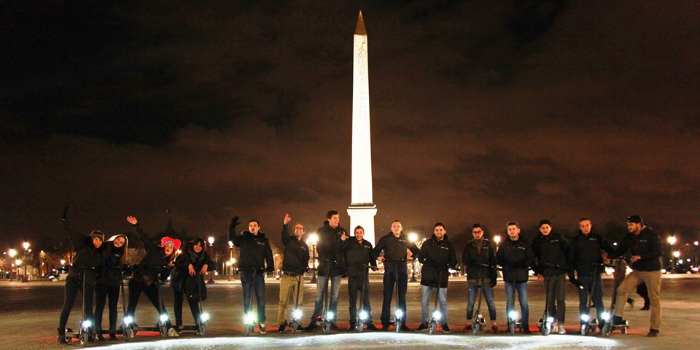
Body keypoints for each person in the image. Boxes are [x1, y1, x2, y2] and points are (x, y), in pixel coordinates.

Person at [125, 215, 180, 335]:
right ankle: (128, 325)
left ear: (173, 250)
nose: (168, 248)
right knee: (132, 305)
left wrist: (169, 268)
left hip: (150, 283)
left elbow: (164, 277)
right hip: (138, 279)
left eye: (171, 247)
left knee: (160, 304)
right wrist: (136, 225)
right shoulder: (154, 249)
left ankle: (168, 326)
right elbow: (145, 238)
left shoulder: (168, 262)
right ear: (164, 246)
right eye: (167, 246)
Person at [611, 215, 662, 337]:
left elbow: (658, 252)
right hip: (637, 271)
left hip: (652, 271)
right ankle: (617, 317)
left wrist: (641, 257)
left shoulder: (651, 235)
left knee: (654, 298)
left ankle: (654, 328)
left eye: (631, 225)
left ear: (639, 224)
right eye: (628, 225)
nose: (629, 227)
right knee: (621, 290)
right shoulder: (629, 237)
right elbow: (620, 250)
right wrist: (608, 256)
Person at [57, 214, 105, 344]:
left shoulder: (101, 253)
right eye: (95, 239)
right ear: (91, 239)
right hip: (74, 278)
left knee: (88, 306)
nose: (97, 242)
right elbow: (71, 232)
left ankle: (90, 330)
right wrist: (64, 221)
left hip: (88, 280)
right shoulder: (82, 245)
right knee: (68, 304)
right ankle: (61, 332)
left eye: (100, 240)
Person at [229, 217, 274, 334]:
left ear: (259, 227)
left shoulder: (263, 240)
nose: (252, 227)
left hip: (259, 272)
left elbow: (268, 254)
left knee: (261, 298)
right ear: (249, 228)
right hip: (245, 272)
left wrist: (270, 266)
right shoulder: (244, 238)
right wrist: (232, 227)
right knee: (247, 299)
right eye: (250, 225)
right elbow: (233, 240)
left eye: (254, 225)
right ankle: (248, 322)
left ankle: (262, 322)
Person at [304, 210, 347, 331]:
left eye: (338, 218)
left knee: (334, 296)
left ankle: (331, 319)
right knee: (319, 295)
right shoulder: (321, 231)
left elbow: (344, 249)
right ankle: (316, 319)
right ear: (329, 219)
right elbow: (322, 247)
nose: (337, 220)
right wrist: (340, 242)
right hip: (324, 266)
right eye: (334, 218)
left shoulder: (342, 231)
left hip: (337, 268)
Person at [568, 218, 612, 330]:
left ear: (591, 225)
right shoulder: (576, 240)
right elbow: (571, 258)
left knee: (598, 300)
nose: (585, 227)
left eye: (587, 225)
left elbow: (610, 249)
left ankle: (602, 322)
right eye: (582, 226)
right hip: (582, 275)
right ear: (580, 227)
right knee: (583, 301)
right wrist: (572, 276)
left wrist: (608, 256)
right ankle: (584, 322)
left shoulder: (597, 238)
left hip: (595, 274)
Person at [373, 219, 416, 331]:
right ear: (391, 229)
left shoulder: (405, 239)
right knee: (387, 296)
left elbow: (416, 250)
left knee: (402, 296)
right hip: (390, 268)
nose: (396, 228)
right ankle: (385, 322)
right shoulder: (385, 239)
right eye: (394, 226)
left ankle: (402, 322)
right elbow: (375, 251)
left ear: (401, 228)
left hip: (402, 268)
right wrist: (378, 257)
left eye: (398, 226)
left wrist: (413, 257)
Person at [415, 223, 457, 333]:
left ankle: (443, 323)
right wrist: (425, 261)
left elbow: (453, 260)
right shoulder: (427, 243)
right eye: (437, 230)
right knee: (425, 301)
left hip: (441, 276)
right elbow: (421, 257)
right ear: (434, 231)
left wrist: (450, 265)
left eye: (441, 230)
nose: (439, 232)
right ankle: (424, 322)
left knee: (442, 301)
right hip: (428, 275)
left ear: (444, 231)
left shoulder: (449, 245)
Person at [531, 219, 570, 334]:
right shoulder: (537, 241)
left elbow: (568, 250)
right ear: (540, 229)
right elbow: (533, 257)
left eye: (547, 227)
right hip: (547, 273)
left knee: (561, 299)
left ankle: (561, 324)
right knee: (550, 300)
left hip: (559, 273)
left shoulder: (559, 238)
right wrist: (538, 271)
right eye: (542, 228)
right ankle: (552, 322)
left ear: (550, 228)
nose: (545, 230)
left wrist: (566, 266)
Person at [496, 221, 534, 334]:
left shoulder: (525, 244)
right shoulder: (503, 245)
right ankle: (510, 324)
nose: (512, 231)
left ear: (518, 230)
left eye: (513, 229)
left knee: (524, 303)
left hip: (522, 278)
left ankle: (525, 325)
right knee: (509, 303)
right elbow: (498, 259)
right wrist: (506, 264)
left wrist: (523, 264)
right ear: (507, 232)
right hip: (509, 277)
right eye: (509, 229)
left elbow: (530, 258)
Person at [172, 237, 213, 334]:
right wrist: (188, 265)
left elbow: (212, 263)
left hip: (192, 282)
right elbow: (178, 262)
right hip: (180, 280)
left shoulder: (204, 255)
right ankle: (179, 324)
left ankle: (199, 324)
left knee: (193, 301)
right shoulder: (186, 253)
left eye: (200, 245)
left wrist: (206, 264)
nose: (198, 247)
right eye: (196, 245)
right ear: (192, 245)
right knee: (178, 302)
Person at [462, 224, 498, 333]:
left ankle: (494, 323)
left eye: (478, 232)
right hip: (473, 276)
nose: (477, 234)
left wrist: (493, 277)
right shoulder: (469, 245)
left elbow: (493, 261)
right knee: (471, 302)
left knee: (490, 302)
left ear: (482, 232)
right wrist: (472, 261)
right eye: (474, 232)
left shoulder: (489, 244)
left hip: (486, 276)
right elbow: (464, 259)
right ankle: (468, 322)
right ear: (472, 233)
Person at [276, 213, 310, 333]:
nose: (298, 230)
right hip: (287, 276)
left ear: (303, 232)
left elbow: (306, 260)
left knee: (298, 302)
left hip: (299, 277)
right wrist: (285, 224)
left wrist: (305, 268)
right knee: (282, 301)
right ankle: (281, 323)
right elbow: (284, 235)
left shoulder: (305, 246)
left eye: (300, 228)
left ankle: (296, 321)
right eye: (296, 228)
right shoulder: (289, 240)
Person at [343, 225, 378, 331]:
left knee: (366, 301)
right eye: (357, 232)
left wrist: (374, 265)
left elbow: (372, 257)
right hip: (353, 275)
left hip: (363, 275)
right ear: (355, 233)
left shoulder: (368, 244)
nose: (359, 234)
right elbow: (343, 256)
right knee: (352, 301)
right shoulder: (348, 244)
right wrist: (345, 270)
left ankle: (369, 322)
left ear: (363, 233)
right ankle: (353, 322)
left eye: (360, 232)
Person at [94, 233, 129, 341]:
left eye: (122, 242)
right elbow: (103, 260)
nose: (119, 242)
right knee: (100, 306)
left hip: (114, 282)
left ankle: (112, 331)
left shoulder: (122, 253)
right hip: (102, 281)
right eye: (118, 239)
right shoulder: (106, 246)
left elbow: (120, 266)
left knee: (113, 307)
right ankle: (97, 331)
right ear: (114, 238)